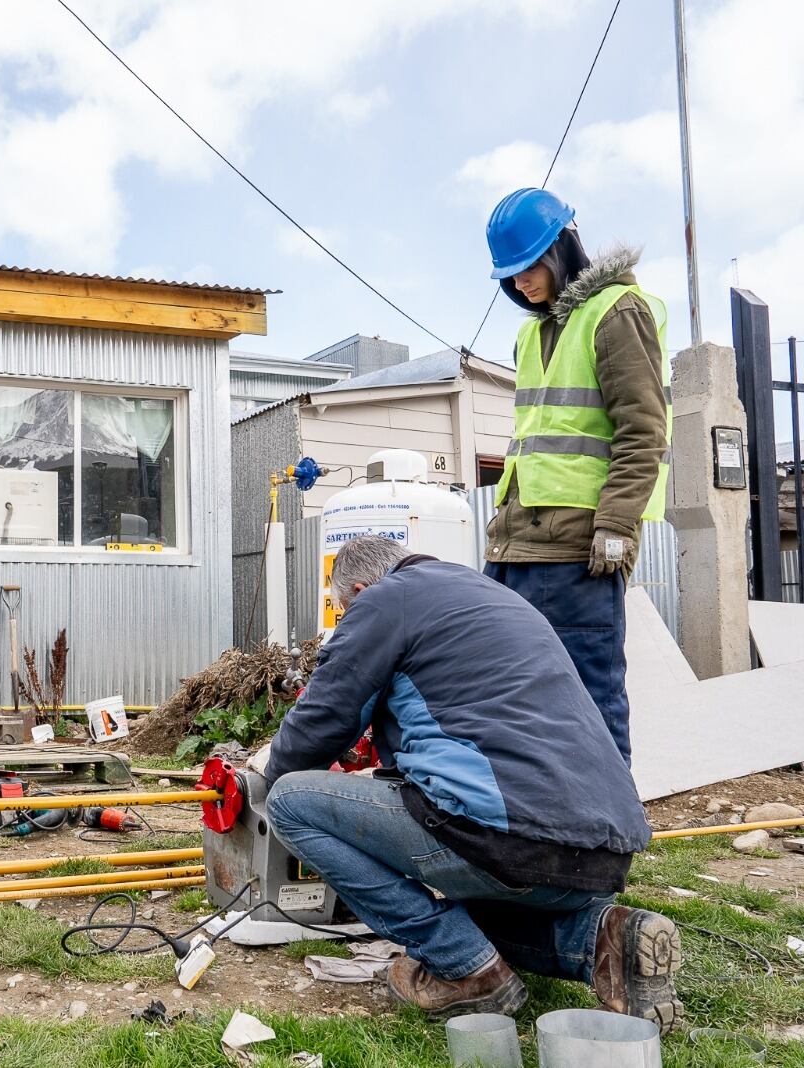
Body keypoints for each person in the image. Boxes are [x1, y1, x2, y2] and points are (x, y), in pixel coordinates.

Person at [251, 536, 681, 1032]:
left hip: (499, 840)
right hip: (601, 857)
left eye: (346, 612)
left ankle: (464, 969)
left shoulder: (386, 600)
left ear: (362, 590)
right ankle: (603, 939)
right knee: (472, 904)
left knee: (291, 802)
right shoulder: (493, 598)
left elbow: (324, 716)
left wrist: (266, 776)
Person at [482, 188, 671, 765]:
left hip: (576, 553)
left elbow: (642, 430)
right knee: (510, 698)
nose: (520, 284)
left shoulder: (616, 312)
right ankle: (539, 833)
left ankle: (606, 836)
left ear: (562, 247)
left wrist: (616, 527)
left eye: (528, 267)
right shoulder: (531, 333)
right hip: (515, 547)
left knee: (589, 697)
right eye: (508, 275)